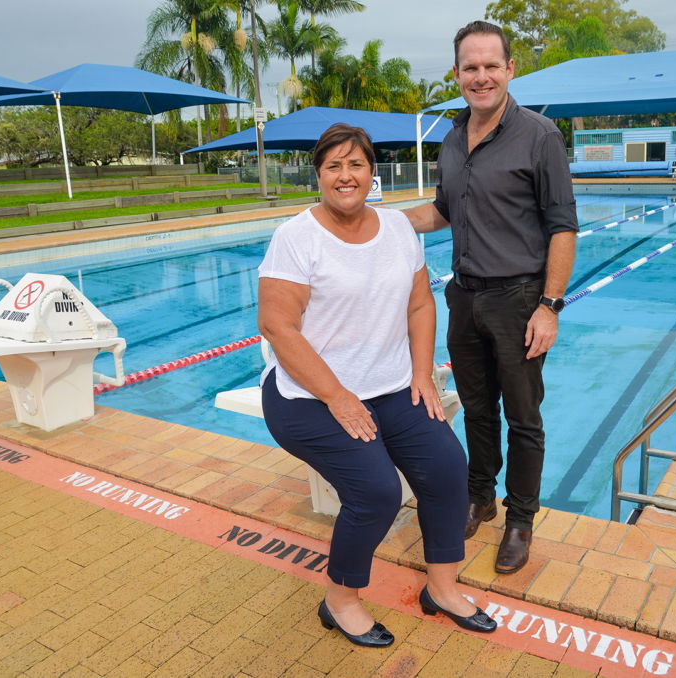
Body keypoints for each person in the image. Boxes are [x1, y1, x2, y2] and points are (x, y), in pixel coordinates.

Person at [258, 124, 497, 648]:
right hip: (308, 398)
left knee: (448, 470)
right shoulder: (296, 238)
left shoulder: (396, 229)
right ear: (318, 176)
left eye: (356, 165)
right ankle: (340, 599)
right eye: (334, 167)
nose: (346, 176)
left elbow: (418, 304)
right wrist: (337, 396)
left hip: (391, 388)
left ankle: (442, 588)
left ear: (373, 173)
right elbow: (278, 327)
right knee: (376, 491)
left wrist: (421, 372)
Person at [404, 20, 578, 574]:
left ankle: (520, 519)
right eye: (469, 67)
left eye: (490, 66)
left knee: (524, 417)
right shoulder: (453, 138)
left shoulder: (539, 135)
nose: (480, 77)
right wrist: (379, 222)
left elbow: (562, 227)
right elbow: (443, 211)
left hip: (521, 298)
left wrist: (549, 307)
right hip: (465, 298)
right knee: (478, 410)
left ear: (509, 69)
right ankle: (480, 497)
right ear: (457, 74)